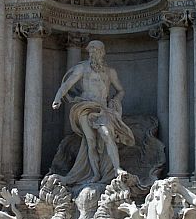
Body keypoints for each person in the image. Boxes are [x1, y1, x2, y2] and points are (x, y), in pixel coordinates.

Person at [52, 40, 135, 187]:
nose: (92, 53)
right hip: (85, 106)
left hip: (102, 108)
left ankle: (117, 169)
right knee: (90, 140)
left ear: (102, 52)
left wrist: (115, 100)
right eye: (90, 51)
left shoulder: (110, 72)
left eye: (95, 50)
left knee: (107, 134)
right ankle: (96, 173)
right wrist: (57, 98)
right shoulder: (82, 69)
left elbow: (121, 90)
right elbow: (67, 85)